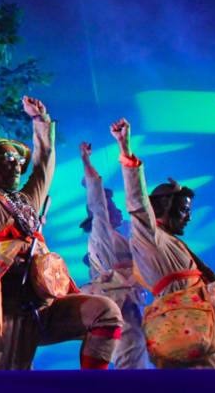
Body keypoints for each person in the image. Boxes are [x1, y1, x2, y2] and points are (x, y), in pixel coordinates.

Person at [0, 76, 122, 371]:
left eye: (17, 160)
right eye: (8, 159)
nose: (16, 164)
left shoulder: (26, 200)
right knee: (8, 377)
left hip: (41, 300)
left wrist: (41, 121)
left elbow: (43, 167)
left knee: (105, 313)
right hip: (3, 304)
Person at [111, 118, 215, 369]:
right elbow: (137, 204)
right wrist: (126, 151)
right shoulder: (149, 235)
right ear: (163, 209)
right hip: (186, 325)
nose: (189, 217)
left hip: (207, 322)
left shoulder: (173, 242)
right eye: (183, 211)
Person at [78, 141, 150, 369]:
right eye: (112, 206)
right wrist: (87, 162)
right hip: (116, 299)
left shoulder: (119, 235)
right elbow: (97, 202)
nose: (117, 210)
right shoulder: (101, 232)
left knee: (137, 349)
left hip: (129, 297)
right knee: (129, 350)